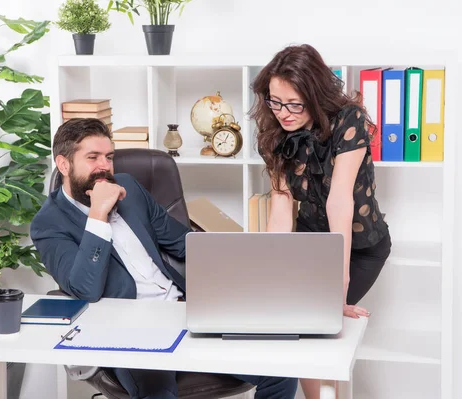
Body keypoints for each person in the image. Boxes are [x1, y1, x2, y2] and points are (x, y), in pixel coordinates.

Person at [30, 118, 298, 399]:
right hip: (128, 330)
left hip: (182, 310)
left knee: (280, 370)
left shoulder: (128, 187)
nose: (104, 167)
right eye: (92, 158)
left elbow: (182, 244)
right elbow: (85, 288)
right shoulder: (49, 223)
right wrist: (98, 215)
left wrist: (249, 261)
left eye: (109, 157)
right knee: (158, 392)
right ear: (63, 165)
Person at [250, 44, 392, 399]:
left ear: (314, 95)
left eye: (294, 104)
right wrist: (271, 271)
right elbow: (282, 205)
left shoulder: (349, 120)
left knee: (315, 329)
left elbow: (339, 200)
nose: (282, 113)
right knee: (295, 326)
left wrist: (336, 286)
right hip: (310, 245)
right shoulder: (274, 129)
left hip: (358, 248)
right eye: (274, 101)